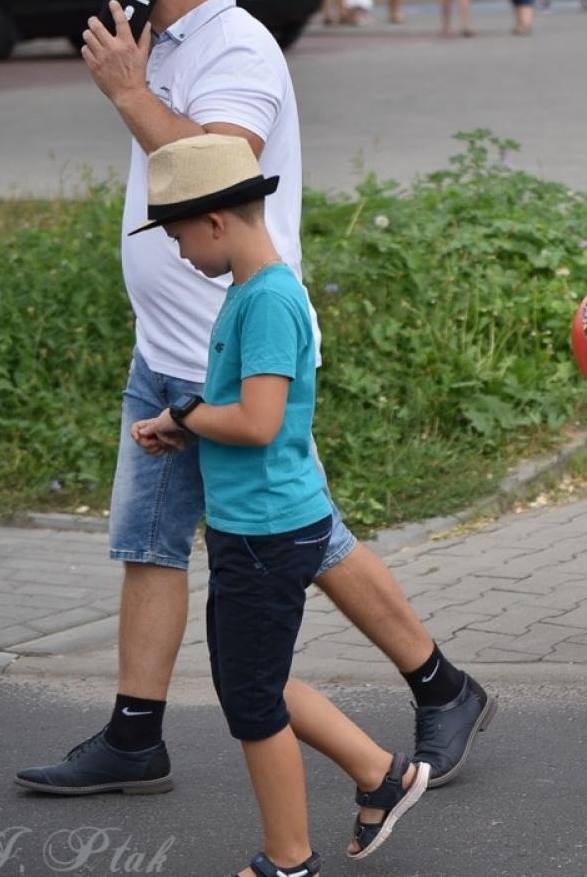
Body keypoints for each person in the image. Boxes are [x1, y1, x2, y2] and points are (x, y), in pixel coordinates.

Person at [16, 0, 493, 801]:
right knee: (150, 540)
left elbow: (222, 173)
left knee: (305, 531)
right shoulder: (166, 45)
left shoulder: (237, 49)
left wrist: (127, 90)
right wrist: (137, 76)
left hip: (236, 352)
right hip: (167, 342)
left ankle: (444, 685)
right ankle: (132, 736)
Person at [127, 134, 432, 877]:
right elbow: (242, 410)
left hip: (267, 531)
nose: (176, 251)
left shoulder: (266, 300)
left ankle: (289, 860)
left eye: (177, 235)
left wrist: (186, 415)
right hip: (251, 525)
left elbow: (259, 423)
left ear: (216, 223)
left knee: (252, 701)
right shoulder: (250, 290)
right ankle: (380, 774)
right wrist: (186, 422)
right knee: (246, 676)